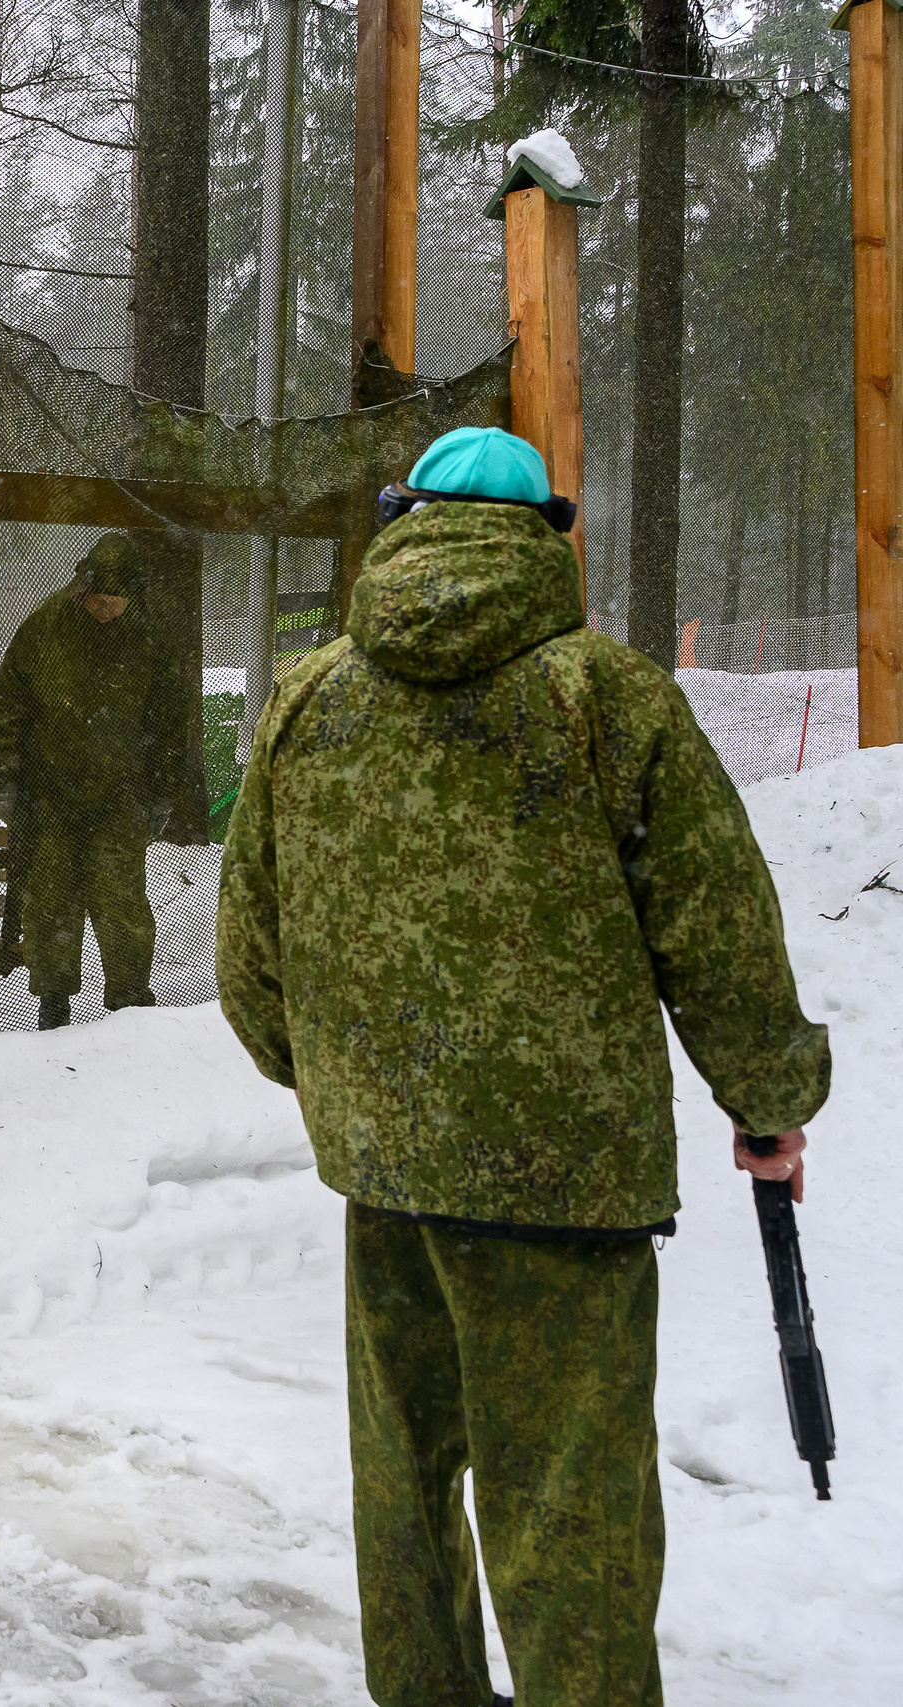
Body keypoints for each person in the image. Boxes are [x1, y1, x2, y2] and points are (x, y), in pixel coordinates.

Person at [215, 426, 831, 1707]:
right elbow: (714, 924)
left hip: (382, 1170)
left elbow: (248, 943)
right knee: (570, 1500)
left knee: (403, 1475)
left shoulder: (307, 696)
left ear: (402, 519)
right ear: (546, 533)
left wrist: (343, 1085)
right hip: (565, 1182)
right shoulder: (602, 695)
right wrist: (769, 1103)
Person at [0, 533, 159, 1029]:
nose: (107, 610)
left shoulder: (146, 640)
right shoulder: (44, 628)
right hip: (49, 794)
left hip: (120, 794)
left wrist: (163, 789)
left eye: (116, 603)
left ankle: (129, 1007)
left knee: (120, 898)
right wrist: (10, 780)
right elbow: (5, 706)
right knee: (51, 898)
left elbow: (169, 719)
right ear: (83, 590)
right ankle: (53, 1008)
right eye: (99, 600)